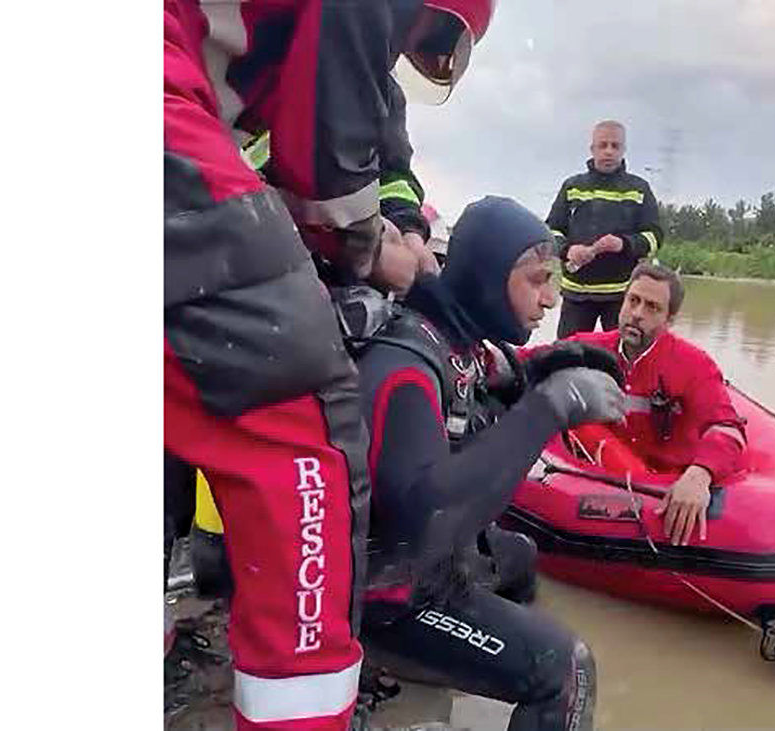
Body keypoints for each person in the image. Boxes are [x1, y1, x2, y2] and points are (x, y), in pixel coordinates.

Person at [164, 2, 496, 728]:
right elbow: (324, 163)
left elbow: (370, 156)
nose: (416, 51)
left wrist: (393, 227)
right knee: (302, 424)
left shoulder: (344, 77)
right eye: (434, 37)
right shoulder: (351, 40)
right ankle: (304, 706)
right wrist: (370, 247)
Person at [351, 196, 626, 730]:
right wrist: (551, 407)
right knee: (569, 668)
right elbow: (426, 522)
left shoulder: (456, 341)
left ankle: (471, 670)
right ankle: (403, 663)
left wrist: (549, 363)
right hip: (385, 594)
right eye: (536, 280)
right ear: (486, 276)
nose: (549, 299)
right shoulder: (404, 367)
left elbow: (491, 378)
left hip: (425, 568)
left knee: (519, 557)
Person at [560, 262, 747, 547]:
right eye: (633, 301)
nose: (637, 314)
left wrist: (700, 474)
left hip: (666, 482)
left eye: (652, 308)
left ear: (669, 319)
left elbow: (727, 427)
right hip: (607, 473)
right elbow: (527, 361)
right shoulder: (587, 347)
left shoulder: (695, 365)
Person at [546, 120, 663, 338]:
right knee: (567, 358)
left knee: (620, 361)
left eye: (615, 146)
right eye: (603, 145)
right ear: (592, 149)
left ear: (623, 150)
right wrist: (568, 250)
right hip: (576, 296)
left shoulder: (639, 189)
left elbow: (655, 237)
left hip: (622, 298)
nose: (609, 151)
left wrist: (624, 244)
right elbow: (551, 232)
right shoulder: (572, 186)